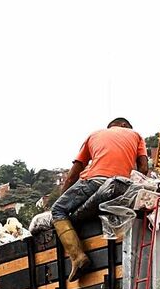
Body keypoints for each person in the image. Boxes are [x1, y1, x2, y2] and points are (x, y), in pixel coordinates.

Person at [48, 117, 153, 278]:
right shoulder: (137, 136)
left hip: (94, 180)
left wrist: (64, 198)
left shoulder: (94, 135)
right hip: (120, 185)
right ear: (124, 125)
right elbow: (144, 169)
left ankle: (78, 257)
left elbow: (73, 175)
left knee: (58, 210)